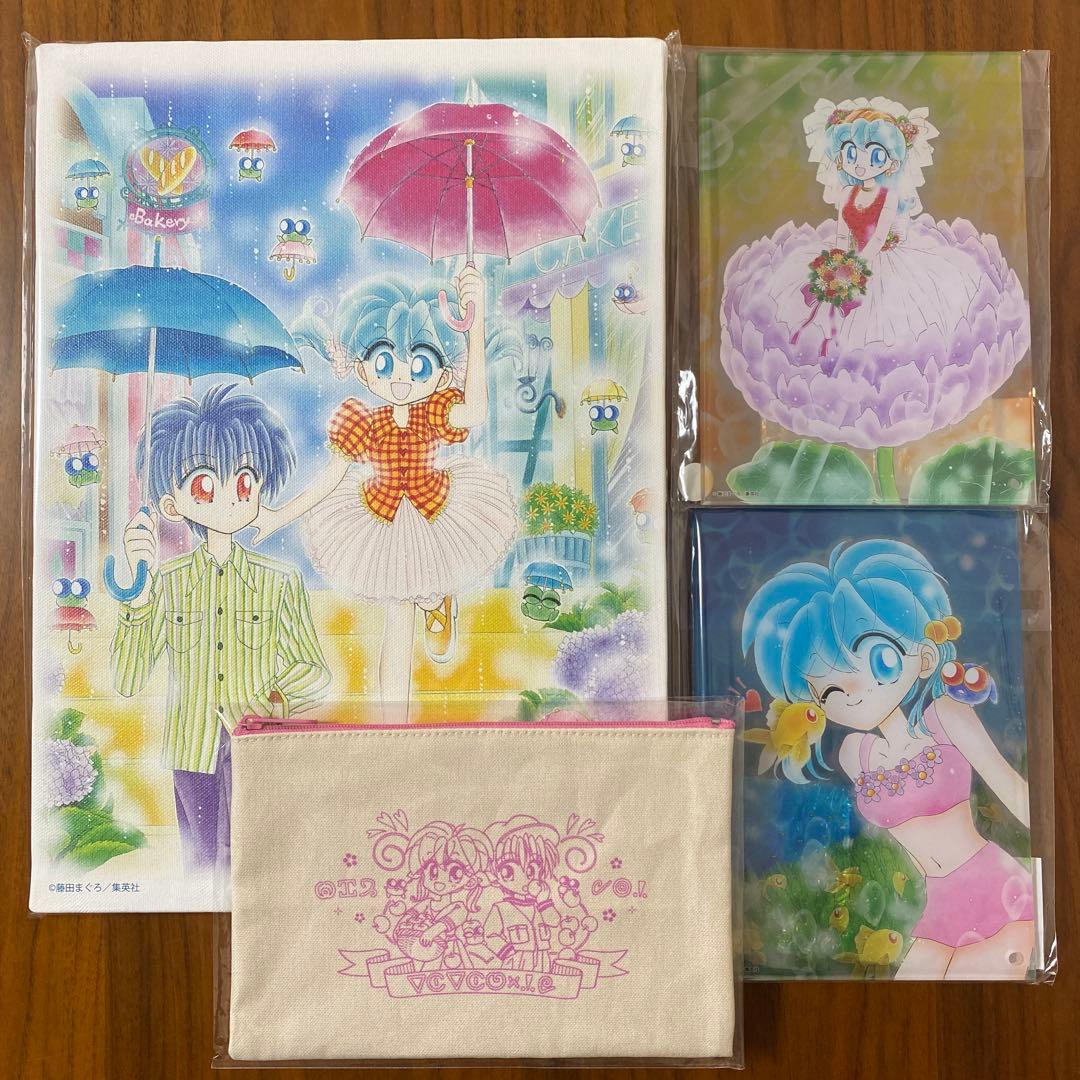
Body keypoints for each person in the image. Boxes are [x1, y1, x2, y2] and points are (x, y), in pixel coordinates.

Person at [743, 538, 1034, 979]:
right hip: (938, 906)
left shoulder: (945, 715)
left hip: (997, 887)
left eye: (879, 659)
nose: (853, 693)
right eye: (829, 690)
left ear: (924, 656)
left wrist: (1054, 868)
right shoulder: (855, 754)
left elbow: (1011, 787)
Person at [252, 266, 516, 707]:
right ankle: (394, 720)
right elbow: (330, 478)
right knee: (398, 615)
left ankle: (437, 602)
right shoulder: (364, 422)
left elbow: (474, 413)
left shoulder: (434, 411)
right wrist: (279, 516)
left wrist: (476, 322)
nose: (401, 379)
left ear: (442, 374)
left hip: (436, 508)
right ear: (362, 368)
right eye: (384, 362)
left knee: (427, 585)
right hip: (382, 517)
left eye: (420, 365)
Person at [719, 96, 1030, 449]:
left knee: (880, 322)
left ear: (892, 162)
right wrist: (839, 259)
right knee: (822, 305)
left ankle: (872, 383)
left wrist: (858, 264)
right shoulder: (848, 194)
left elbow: (878, 237)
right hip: (850, 258)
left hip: (879, 259)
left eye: (875, 156)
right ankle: (826, 361)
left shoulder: (887, 197)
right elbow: (842, 232)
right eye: (851, 153)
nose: (861, 163)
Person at [111, 384, 330, 870]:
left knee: (254, 866)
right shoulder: (166, 583)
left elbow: (315, 671)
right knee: (203, 868)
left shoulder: (279, 582)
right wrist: (139, 598)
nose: (230, 498)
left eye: (245, 482)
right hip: (191, 751)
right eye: (206, 486)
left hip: (257, 748)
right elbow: (127, 679)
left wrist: (270, 701)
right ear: (171, 504)